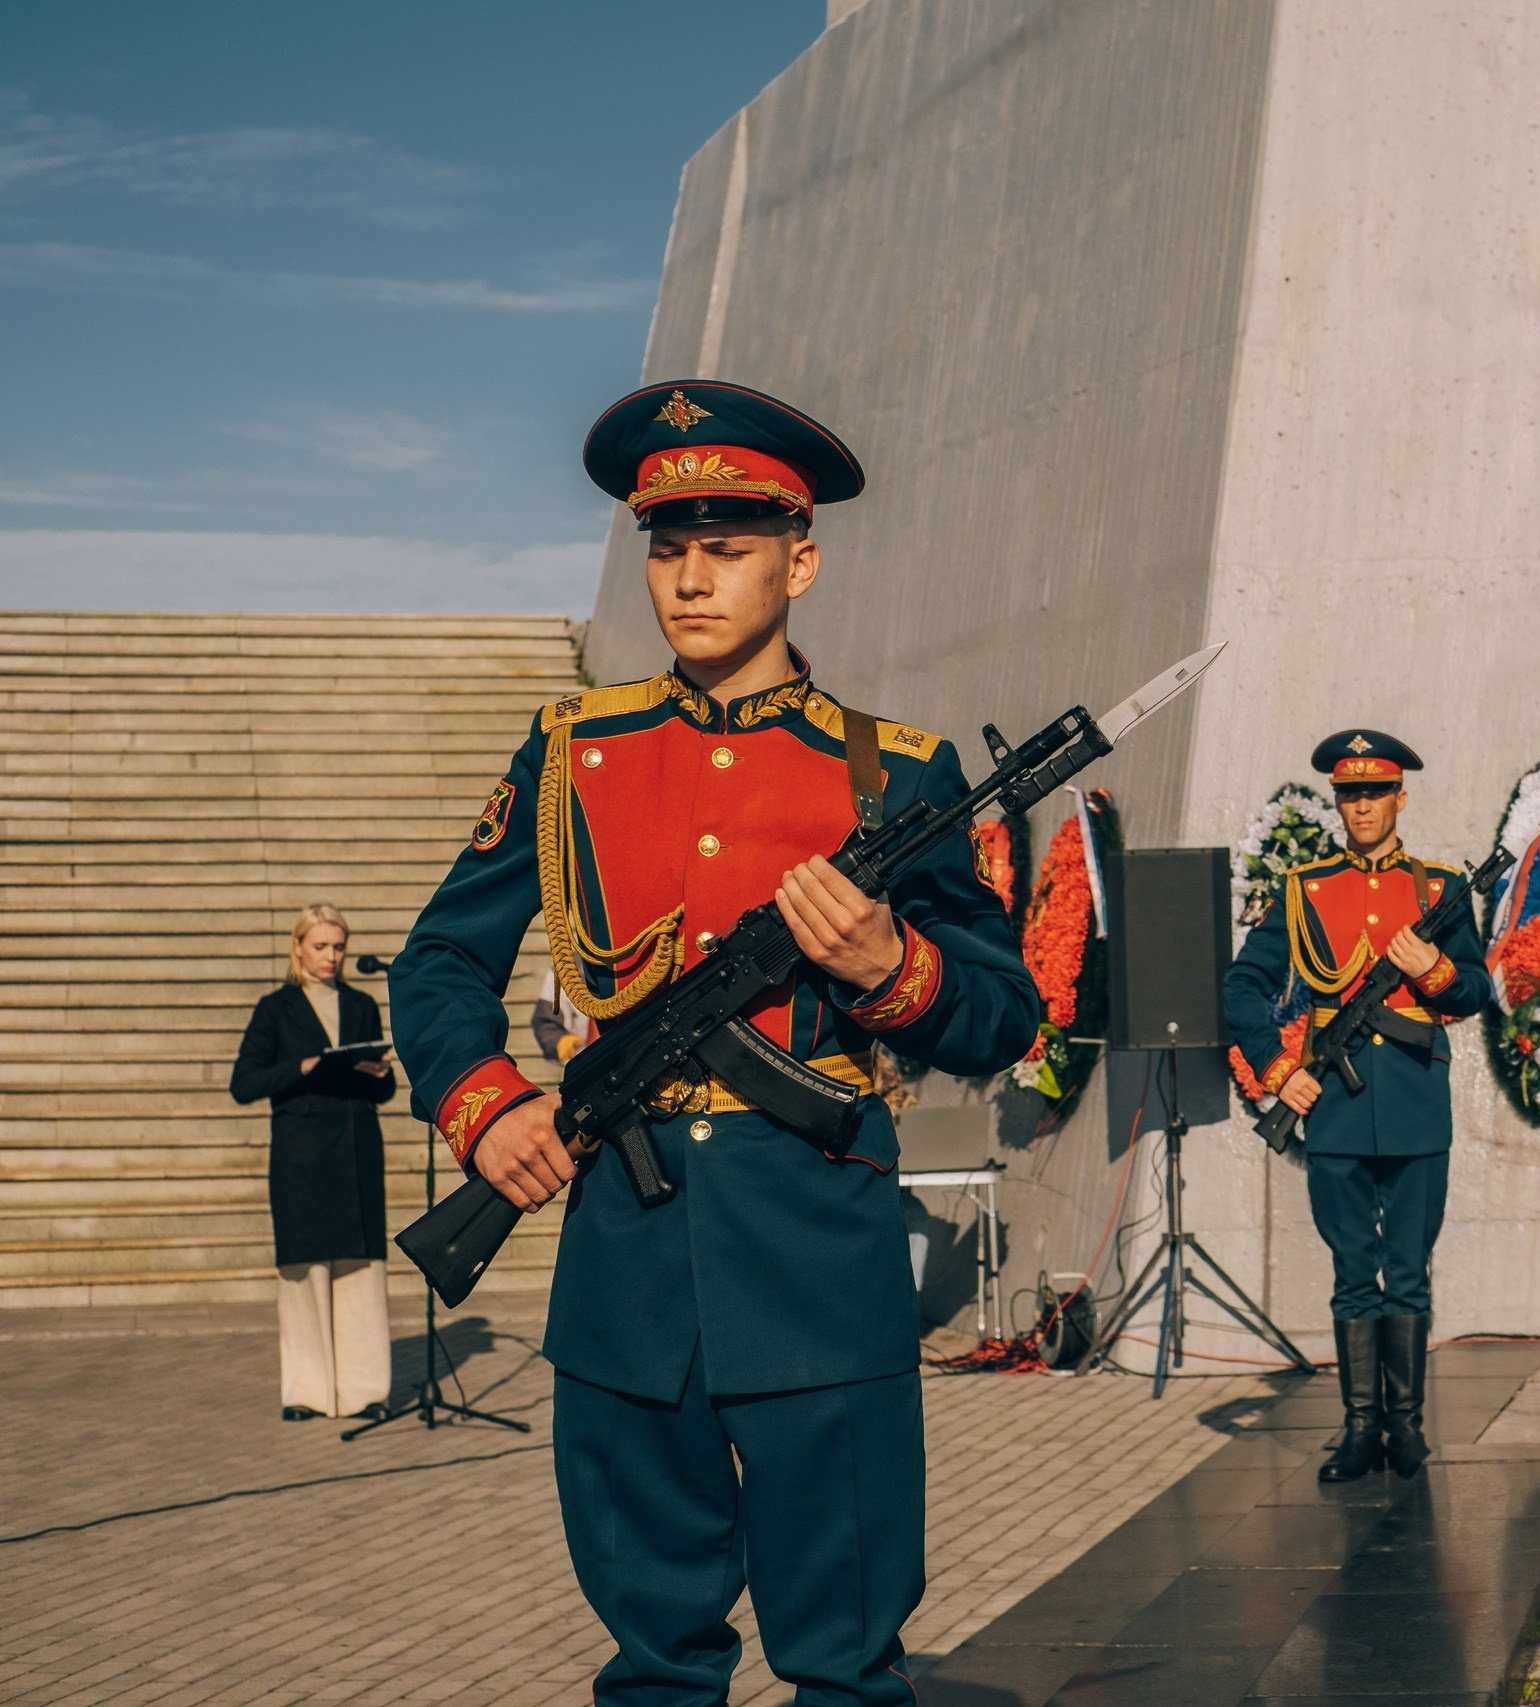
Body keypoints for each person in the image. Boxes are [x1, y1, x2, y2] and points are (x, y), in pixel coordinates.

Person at [389, 380, 1037, 1707]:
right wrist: (488, 1104)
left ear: (800, 558)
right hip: (625, 1273)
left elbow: (1003, 1007)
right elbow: (443, 956)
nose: (689, 579)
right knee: (654, 1662)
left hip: (816, 1264)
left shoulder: (890, 774)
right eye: (668, 546)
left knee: (847, 1660)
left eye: (727, 546)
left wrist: (891, 966)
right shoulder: (577, 750)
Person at [1221, 731, 1494, 1481]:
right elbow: (1242, 986)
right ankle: (1359, 1429)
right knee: (1351, 1272)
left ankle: (1405, 1430)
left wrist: (1435, 967)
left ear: (1400, 797)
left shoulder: (1439, 889)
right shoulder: (1306, 888)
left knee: (1407, 1272)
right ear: (1338, 801)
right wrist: (1280, 1070)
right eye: (1350, 793)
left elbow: (1477, 989)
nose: (1362, 806)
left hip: (1413, 1098)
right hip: (1336, 1106)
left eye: (1375, 792)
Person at [227, 902, 398, 1422]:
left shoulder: (363, 1002)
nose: (331, 956)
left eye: (338, 946)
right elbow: (244, 1084)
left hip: (355, 1148)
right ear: (298, 946)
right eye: (320, 946)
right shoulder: (275, 1008)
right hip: (302, 1156)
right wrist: (301, 1066)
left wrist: (377, 1073)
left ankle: (366, 1390)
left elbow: (385, 1087)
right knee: (304, 1274)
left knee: (360, 1269)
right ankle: (307, 1392)